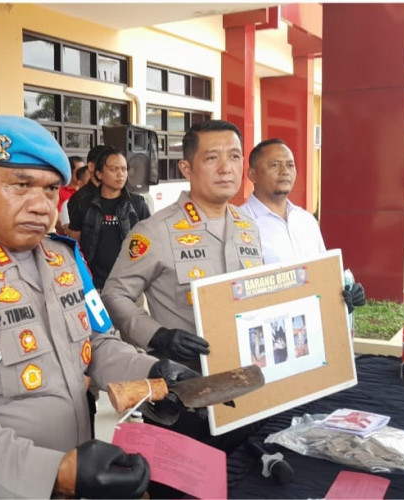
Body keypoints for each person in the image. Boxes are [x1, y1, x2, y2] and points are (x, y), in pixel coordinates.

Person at [0, 115, 196, 498]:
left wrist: (153, 370)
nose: (41, 206)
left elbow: (95, 343)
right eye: (21, 186)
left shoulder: (62, 259)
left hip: (67, 483)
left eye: (51, 191)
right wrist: (54, 471)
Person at [101, 120, 263, 463]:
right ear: (186, 167)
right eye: (212, 158)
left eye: (234, 157)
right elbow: (114, 294)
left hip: (244, 387)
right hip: (183, 394)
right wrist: (158, 336)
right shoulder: (156, 231)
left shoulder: (249, 228)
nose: (226, 168)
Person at [242, 138, 366, 311]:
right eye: (275, 165)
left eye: (290, 165)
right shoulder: (240, 223)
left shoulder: (306, 220)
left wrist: (347, 292)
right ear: (252, 175)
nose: (285, 171)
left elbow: (324, 275)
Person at [79, 146, 151, 289]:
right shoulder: (84, 205)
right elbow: (76, 244)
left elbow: (151, 242)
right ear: (99, 173)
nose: (120, 174)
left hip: (130, 286)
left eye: (124, 169)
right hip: (95, 285)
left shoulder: (138, 204)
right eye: (114, 169)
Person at [66, 144, 107, 240]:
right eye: (105, 164)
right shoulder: (79, 200)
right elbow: (75, 239)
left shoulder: (129, 199)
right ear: (91, 166)